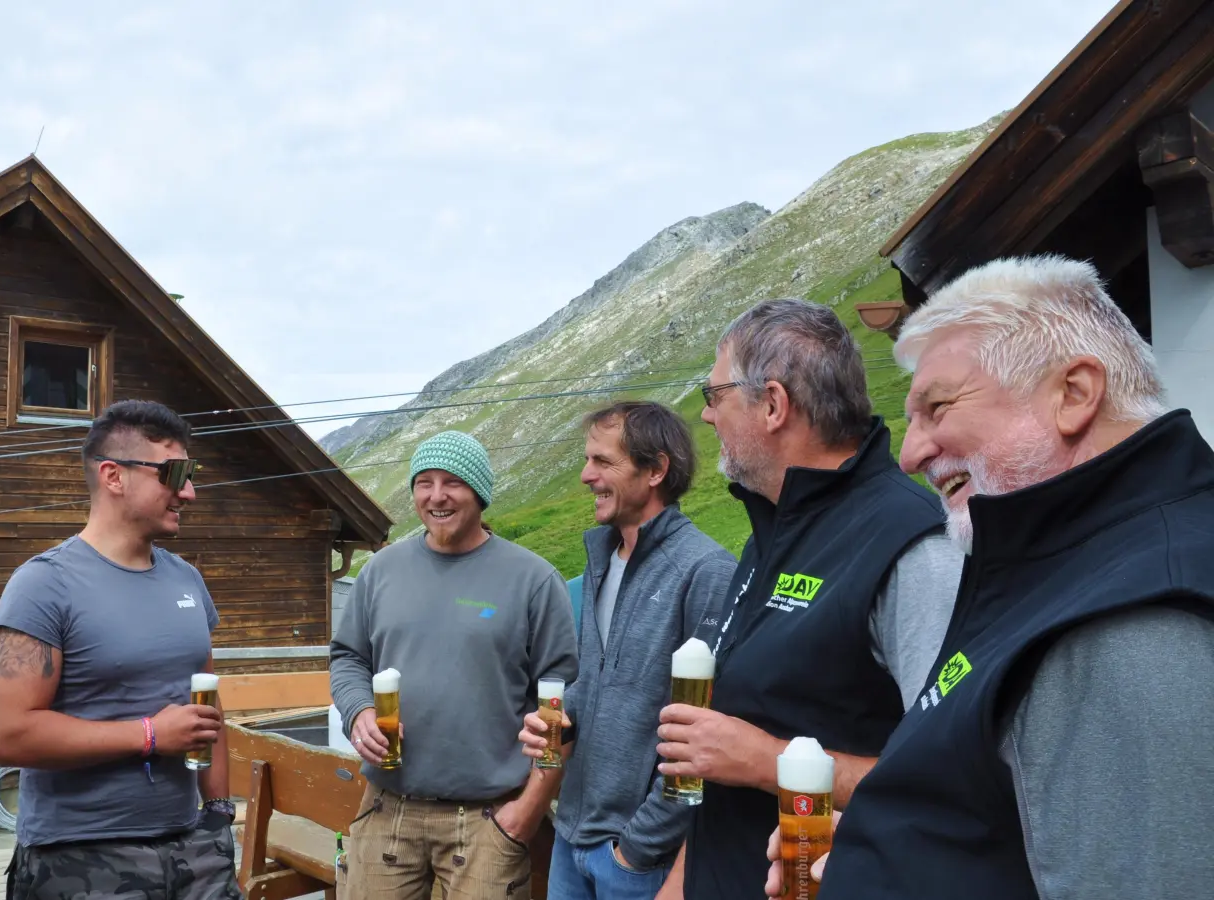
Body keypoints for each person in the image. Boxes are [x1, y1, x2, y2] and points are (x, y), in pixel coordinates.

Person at [765, 256, 1214, 898]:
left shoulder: (1134, 618)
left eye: (937, 407)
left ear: (1075, 393)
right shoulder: (1060, 567)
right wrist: (884, 846)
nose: (911, 451)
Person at [653, 298, 962, 898]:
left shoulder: (912, 543)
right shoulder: (771, 529)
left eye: (715, 396)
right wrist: (679, 882)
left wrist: (769, 762)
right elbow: (725, 745)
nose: (706, 416)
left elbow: (951, 778)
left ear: (772, 404)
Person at [0, 399, 239, 900]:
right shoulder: (42, 585)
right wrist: (149, 735)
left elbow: (209, 710)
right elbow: (10, 736)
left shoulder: (186, 579)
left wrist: (219, 818)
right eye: (174, 473)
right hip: (79, 858)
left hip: (194, 850)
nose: (188, 492)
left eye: (190, 474)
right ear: (113, 476)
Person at [330, 430, 579, 899]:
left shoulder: (533, 579)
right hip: (387, 809)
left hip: (489, 819)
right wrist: (358, 710)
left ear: (480, 494)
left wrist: (528, 810)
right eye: (424, 482)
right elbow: (348, 658)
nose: (437, 496)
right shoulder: (380, 572)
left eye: (453, 483)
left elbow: (563, 698)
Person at [517, 402, 735, 899]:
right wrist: (558, 715)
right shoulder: (601, 561)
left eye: (602, 462)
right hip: (572, 839)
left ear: (656, 469)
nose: (584, 475)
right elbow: (600, 683)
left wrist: (638, 847)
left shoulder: (706, 570)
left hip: (638, 859)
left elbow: (708, 726)